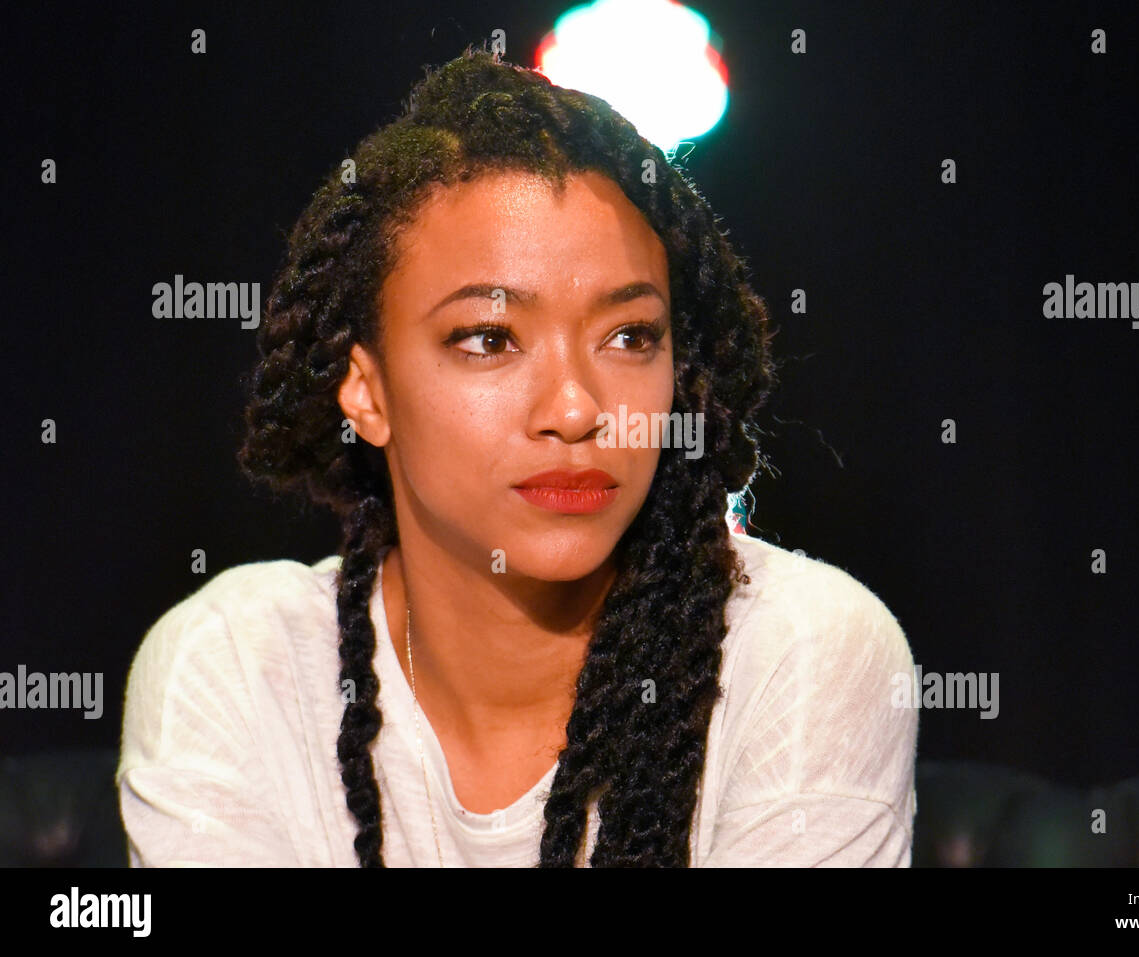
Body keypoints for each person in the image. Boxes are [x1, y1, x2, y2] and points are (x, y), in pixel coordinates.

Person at [116, 46, 918, 867]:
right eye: (489, 338)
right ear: (366, 390)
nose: (576, 408)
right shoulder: (233, 670)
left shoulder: (803, 653)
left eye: (630, 335)